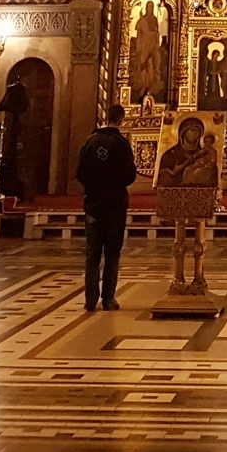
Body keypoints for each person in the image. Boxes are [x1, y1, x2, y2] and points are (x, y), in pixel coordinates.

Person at [75, 103, 137, 313]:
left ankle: (89, 300)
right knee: (112, 253)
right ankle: (108, 299)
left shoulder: (90, 142)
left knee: (91, 254)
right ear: (121, 119)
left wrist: (95, 185)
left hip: (93, 204)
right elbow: (130, 176)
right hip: (115, 206)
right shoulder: (121, 144)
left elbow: (80, 174)